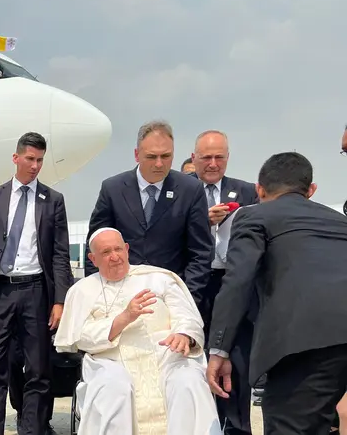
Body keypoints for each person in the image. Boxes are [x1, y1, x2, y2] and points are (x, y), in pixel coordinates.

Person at [207, 152, 347, 434]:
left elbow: (238, 281)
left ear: (259, 189)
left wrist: (219, 349)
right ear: (311, 190)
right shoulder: (340, 222)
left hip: (303, 345)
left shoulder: (253, 215)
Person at [55, 227, 220, 434]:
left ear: (127, 249)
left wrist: (184, 334)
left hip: (166, 357)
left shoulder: (159, 278)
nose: (114, 257)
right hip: (111, 361)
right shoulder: (82, 290)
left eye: (118, 249)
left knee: (189, 382)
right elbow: (80, 338)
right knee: (114, 388)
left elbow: (186, 314)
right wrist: (124, 318)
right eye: (106, 252)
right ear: (93, 258)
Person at [0, 132, 72, 435]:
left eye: (40, 160)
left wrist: (59, 300)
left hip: (36, 291)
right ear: (16, 158)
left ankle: (32, 430)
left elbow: (60, 254)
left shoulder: (53, 201)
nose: (35, 166)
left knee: (39, 370)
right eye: (30, 159)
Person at [84, 120, 213, 306]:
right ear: (137, 155)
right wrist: (99, 294)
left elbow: (200, 252)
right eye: (152, 157)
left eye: (166, 156)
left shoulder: (190, 190)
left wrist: (187, 298)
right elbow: (96, 245)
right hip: (119, 297)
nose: (159, 164)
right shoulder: (113, 189)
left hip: (172, 297)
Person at [189, 130, 259, 434]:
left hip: (236, 284)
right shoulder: (181, 191)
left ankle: (238, 427)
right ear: (194, 158)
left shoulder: (247, 192)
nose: (213, 163)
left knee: (238, 361)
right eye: (206, 157)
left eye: (219, 157)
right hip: (197, 285)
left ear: (228, 158)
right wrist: (203, 220)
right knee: (197, 358)